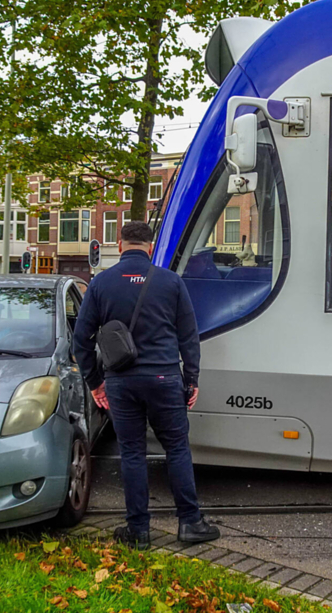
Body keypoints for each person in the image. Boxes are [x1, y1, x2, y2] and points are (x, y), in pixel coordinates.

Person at [73, 221, 219, 548]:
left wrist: (96, 384)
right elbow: (188, 337)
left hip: (121, 384)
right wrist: (191, 379)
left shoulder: (100, 284)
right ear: (150, 248)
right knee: (177, 449)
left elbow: (81, 342)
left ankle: (138, 531)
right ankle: (190, 523)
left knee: (132, 453)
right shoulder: (171, 282)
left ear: (119, 245)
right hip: (165, 378)